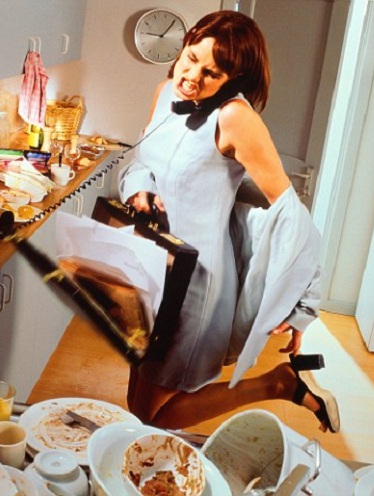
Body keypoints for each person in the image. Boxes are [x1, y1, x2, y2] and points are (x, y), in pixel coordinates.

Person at [118, 10, 340, 433]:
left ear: (234, 78)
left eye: (211, 73)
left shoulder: (235, 118)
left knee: (149, 413)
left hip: (194, 286)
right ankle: (282, 383)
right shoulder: (165, 91)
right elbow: (143, 159)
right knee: (136, 399)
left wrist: (303, 305)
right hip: (150, 269)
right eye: (190, 59)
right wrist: (139, 189)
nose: (191, 78)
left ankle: (277, 384)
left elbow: (292, 217)